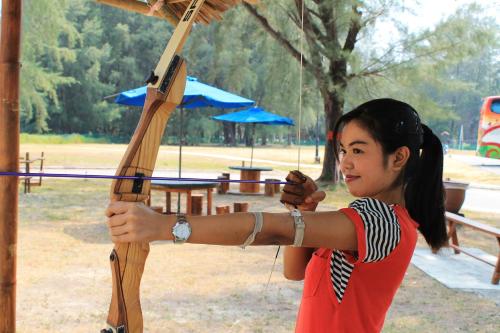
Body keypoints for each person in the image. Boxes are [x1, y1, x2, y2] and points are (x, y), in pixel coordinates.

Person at [106, 98, 448, 332]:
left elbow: (275, 230)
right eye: (343, 150)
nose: (345, 162)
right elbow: (295, 271)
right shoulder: (365, 221)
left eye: (359, 150)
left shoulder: (381, 220)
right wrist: (305, 213)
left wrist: (164, 226)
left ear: (399, 157)